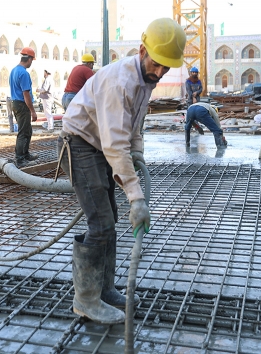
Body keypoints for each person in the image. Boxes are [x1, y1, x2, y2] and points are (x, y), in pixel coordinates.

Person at [57, 18, 186, 325]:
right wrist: (136, 197)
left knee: (109, 219)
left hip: (98, 145)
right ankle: (85, 299)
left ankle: (104, 289)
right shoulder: (120, 82)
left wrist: (137, 152)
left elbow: (134, 124)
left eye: (166, 67)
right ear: (142, 51)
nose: (160, 72)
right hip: (80, 143)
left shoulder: (145, 79)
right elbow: (115, 144)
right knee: (100, 223)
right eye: (156, 64)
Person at [9, 47, 38, 167]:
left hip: (15, 103)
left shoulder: (14, 70)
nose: (32, 63)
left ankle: (25, 154)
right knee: (23, 132)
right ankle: (20, 159)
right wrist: (33, 111)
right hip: (22, 105)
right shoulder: (24, 73)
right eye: (32, 60)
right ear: (29, 59)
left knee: (27, 130)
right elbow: (26, 94)